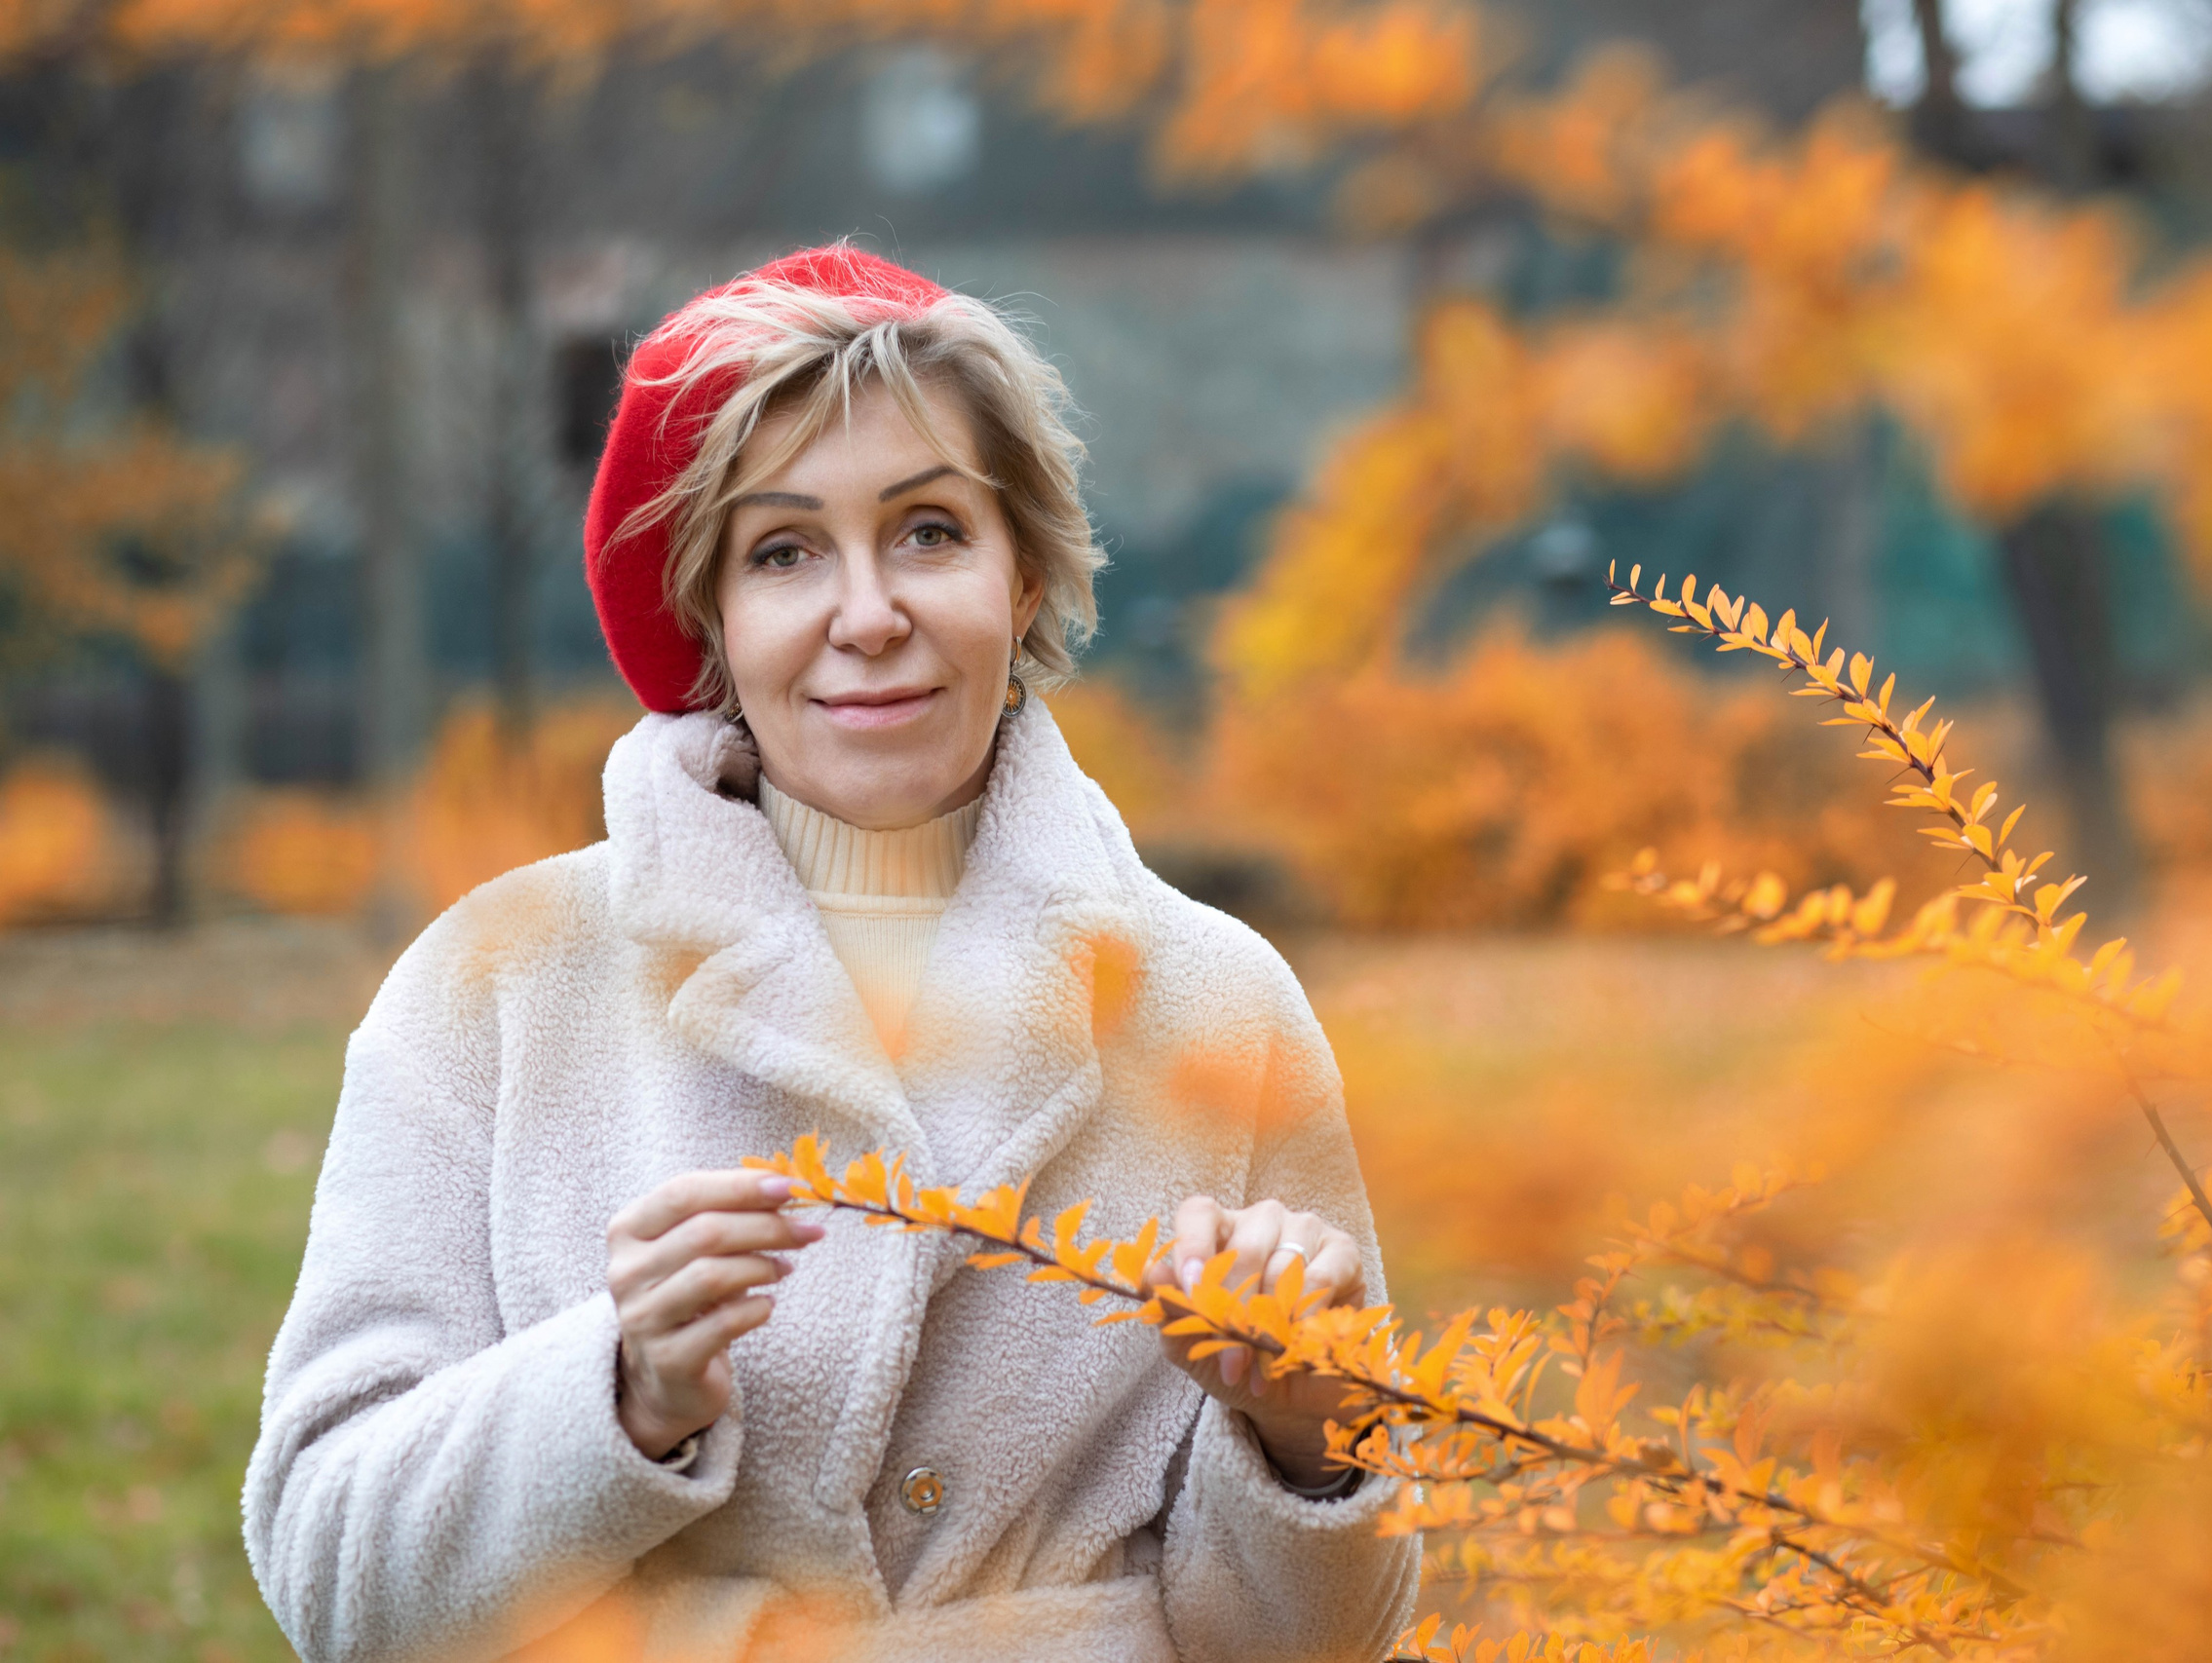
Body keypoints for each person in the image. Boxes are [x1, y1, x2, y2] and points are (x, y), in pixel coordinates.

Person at [242, 245, 1420, 1663]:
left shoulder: (1219, 1007)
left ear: (1026, 576)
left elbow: (1318, 1648)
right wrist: (614, 1396)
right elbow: (331, 1582)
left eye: (930, 531)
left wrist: (1308, 1442)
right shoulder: (495, 983)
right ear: (714, 623)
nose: (870, 615)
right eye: (786, 551)